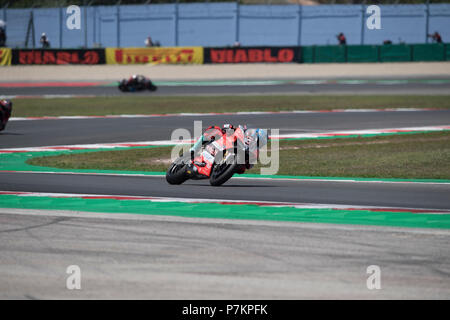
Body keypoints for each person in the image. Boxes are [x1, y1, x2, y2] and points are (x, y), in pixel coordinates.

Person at [189, 124, 268, 169]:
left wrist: (247, 162)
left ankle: (220, 169)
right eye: (257, 140)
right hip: (221, 145)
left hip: (227, 160)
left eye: (259, 143)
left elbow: (250, 166)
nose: (254, 142)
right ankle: (193, 150)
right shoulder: (241, 131)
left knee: (242, 169)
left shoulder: (254, 152)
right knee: (215, 129)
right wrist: (229, 127)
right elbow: (226, 126)